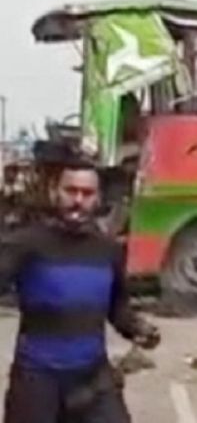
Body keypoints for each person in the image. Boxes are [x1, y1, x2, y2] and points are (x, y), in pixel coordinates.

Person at [0, 155, 160, 422]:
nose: (78, 200)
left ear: (97, 198)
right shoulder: (25, 243)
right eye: (70, 191)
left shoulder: (108, 249)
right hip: (36, 380)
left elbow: (117, 307)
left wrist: (136, 328)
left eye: (87, 193)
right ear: (55, 192)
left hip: (93, 377)